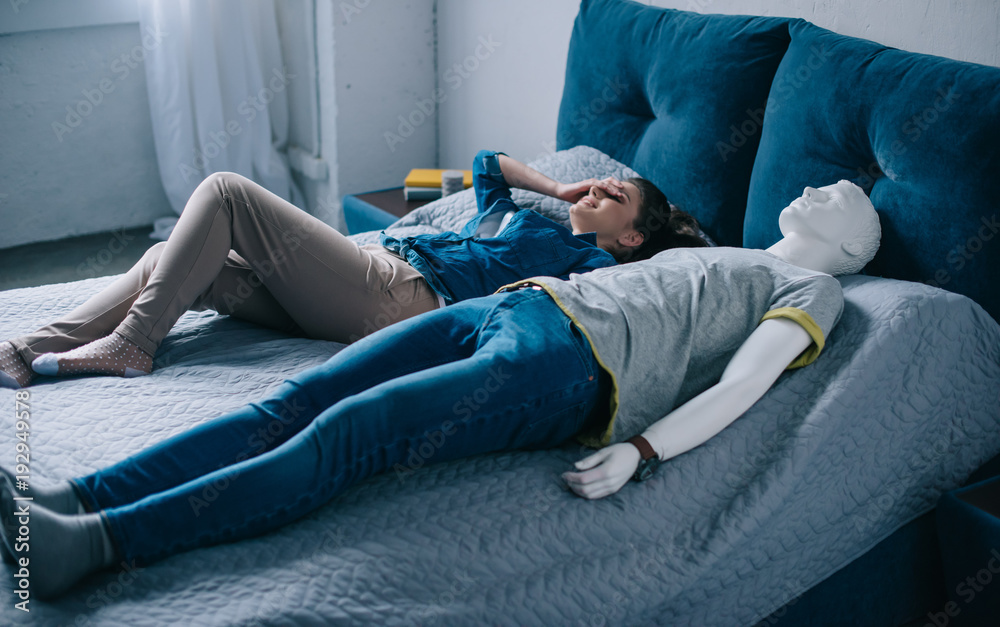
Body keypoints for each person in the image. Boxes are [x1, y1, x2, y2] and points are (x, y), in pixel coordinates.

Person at [0, 180, 880, 601]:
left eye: (844, 195)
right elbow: (498, 176)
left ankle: (100, 544)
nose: (820, 185)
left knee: (345, 435)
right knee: (293, 401)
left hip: (564, 367)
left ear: (853, 249)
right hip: (515, 308)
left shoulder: (816, 291)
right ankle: (79, 496)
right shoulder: (714, 247)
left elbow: (747, 380)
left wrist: (645, 448)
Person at [0, 149, 704, 388]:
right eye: (603, 178)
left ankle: (134, 345)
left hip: (397, 295)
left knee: (225, 193)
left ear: (630, 236)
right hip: (368, 274)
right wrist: (555, 189)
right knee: (175, 259)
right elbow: (488, 165)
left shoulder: (590, 264)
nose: (601, 187)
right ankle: (29, 349)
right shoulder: (529, 217)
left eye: (618, 195)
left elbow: (669, 291)